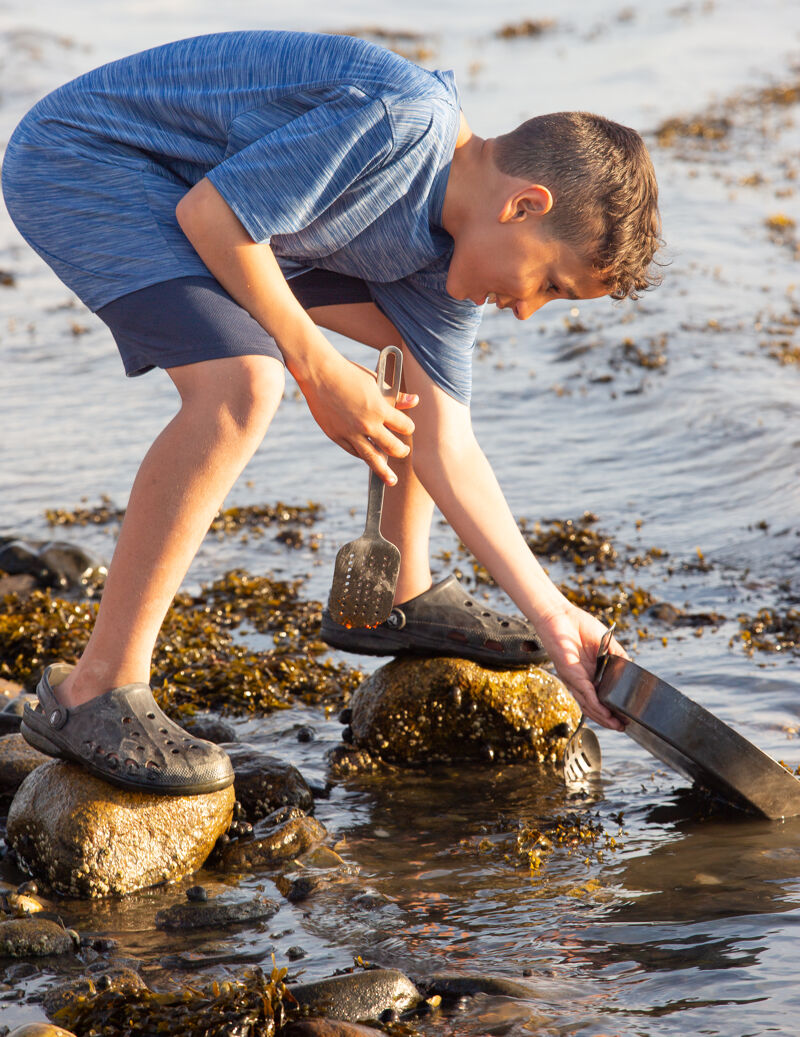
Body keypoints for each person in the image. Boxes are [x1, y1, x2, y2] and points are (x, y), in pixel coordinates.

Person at [1, 29, 660, 795]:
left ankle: (396, 594)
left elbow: (449, 443)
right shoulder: (401, 125)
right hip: (91, 162)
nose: (526, 312)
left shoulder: (445, 258)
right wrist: (317, 369)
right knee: (244, 387)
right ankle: (96, 688)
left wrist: (552, 613)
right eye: (550, 285)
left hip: (227, 208)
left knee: (406, 365)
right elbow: (216, 217)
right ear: (523, 204)